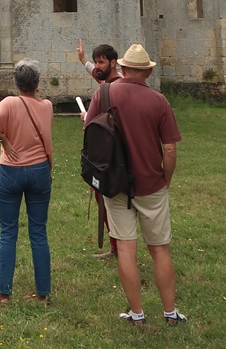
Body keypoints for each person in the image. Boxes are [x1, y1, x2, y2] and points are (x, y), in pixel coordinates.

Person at [85, 44, 186, 326]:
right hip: (151, 183)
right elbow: (170, 150)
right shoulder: (159, 101)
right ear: (149, 72)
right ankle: (169, 313)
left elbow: (90, 133)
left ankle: (137, 314)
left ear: (123, 68)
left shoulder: (102, 93)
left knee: (127, 250)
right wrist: (165, 180)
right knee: (160, 249)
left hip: (115, 184)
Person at [0, 59, 53, 304]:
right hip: (39, 170)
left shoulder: (10, 103)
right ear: (37, 83)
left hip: (11, 171)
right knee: (38, 232)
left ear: (16, 83)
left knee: (8, 231)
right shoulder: (47, 106)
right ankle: (43, 295)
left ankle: (3, 293)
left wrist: (4, 140)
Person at [77, 39, 122, 259]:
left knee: (113, 203)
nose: (97, 66)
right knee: (104, 200)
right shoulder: (106, 82)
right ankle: (116, 247)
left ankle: (120, 247)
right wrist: (84, 60)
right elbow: (97, 74)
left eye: (101, 62)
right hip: (105, 153)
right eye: (96, 62)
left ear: (113, 63)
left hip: (113, 154)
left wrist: (88, 118)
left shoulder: (119, 87)